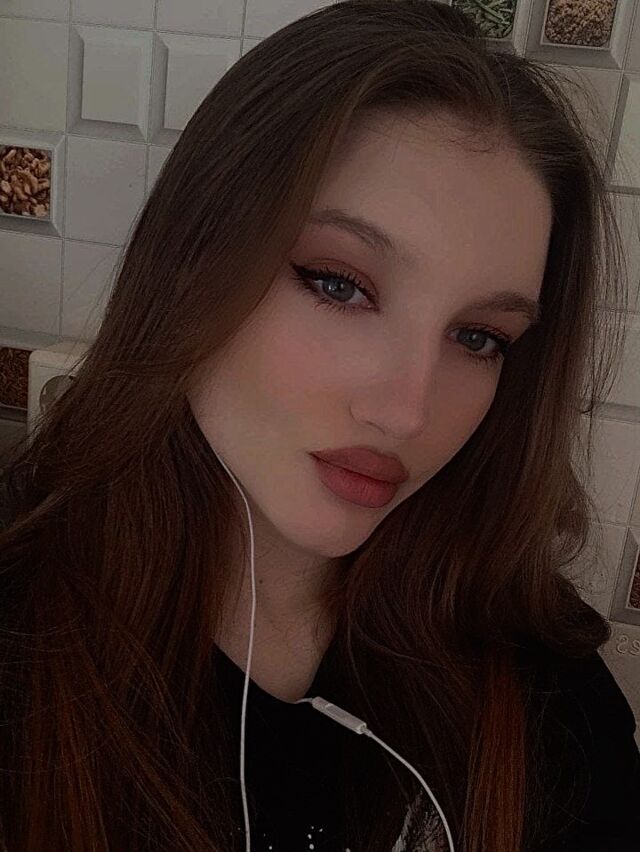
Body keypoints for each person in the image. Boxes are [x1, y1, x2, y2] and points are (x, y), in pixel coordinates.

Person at [0, 1, 638, 850]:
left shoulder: (546, 695)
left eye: (479, 337)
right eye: (340, 284)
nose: (406, 412)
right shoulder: (22, 636)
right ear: (193, 259)